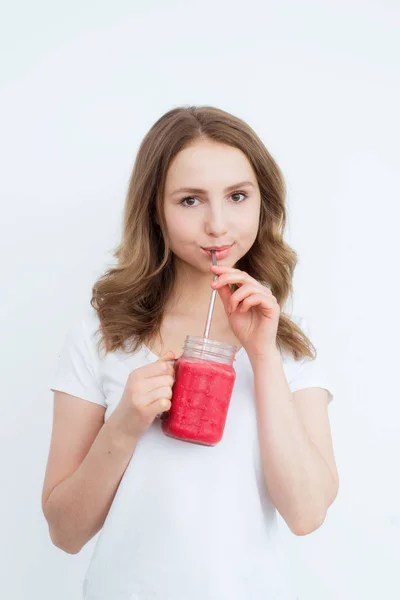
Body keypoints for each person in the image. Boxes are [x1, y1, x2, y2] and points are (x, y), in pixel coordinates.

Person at [42, 105, 339, 600]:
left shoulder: (288, 343)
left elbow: (307, 514)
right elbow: (64, 532)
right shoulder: (103, 337)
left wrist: (262, 358)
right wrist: (125, 423)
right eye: (190, 200)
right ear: (154, 209)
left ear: (262, 203)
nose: (218, 225)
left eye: (238, 196)